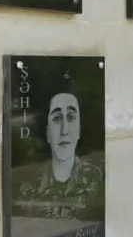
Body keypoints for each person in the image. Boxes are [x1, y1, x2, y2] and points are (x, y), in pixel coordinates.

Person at [15, 91, 104, 222]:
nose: (64, 130)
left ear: (79, 129)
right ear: (48, 133)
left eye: (71, 117)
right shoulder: (30, 186)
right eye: (56, 118)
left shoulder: (93, 176)